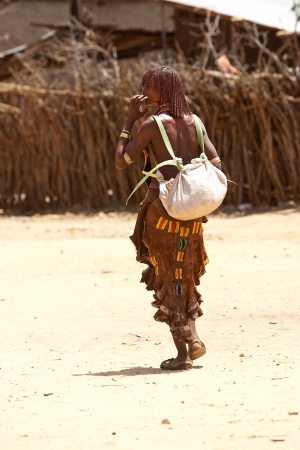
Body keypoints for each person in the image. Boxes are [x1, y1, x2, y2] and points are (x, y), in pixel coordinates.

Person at [115, 66, 221, 370]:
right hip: (191, 212)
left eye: (149, 87)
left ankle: (182, 354)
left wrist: (128, 121)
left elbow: (122, 161)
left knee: (168, 277)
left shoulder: (150, 124)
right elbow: (215, 161)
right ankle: (194, 337)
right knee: (184, 274)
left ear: (163, 90)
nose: (144, 92)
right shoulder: (195, 123)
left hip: (161, 211)